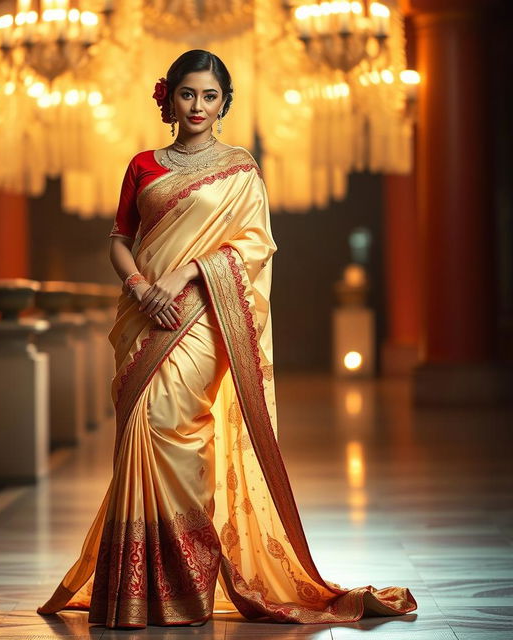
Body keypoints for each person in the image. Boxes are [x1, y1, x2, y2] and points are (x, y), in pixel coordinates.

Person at [37, 49, 417, 629]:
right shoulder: (143, 164)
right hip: (145, 317)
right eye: (188, 94)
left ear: (224, 103)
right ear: (170, 98)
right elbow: (119, 238)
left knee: (172, 428)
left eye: (210, 96)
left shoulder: (240, 169)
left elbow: (256, 246)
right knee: (141, 428)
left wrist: (188, 273)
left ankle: (186, 581)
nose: (198, 106)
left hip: (205, 318)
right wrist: (141, 286)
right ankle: (140, 587)